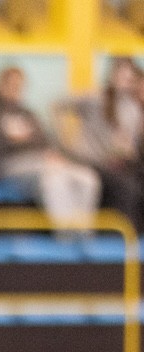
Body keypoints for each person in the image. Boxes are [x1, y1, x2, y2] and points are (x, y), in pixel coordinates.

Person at [0, 64, 100, 232]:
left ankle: (82, 234)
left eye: (19, 85)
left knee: (87, 178)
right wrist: (14, 141)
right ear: (0, 84)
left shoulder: (28, 114)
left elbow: (44, 141)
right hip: (11, 165)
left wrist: (49, 153)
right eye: (11, 84)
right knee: (53, 179)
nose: (15, 89)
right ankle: (65, 235)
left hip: (41, 161)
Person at [55, 58, 143, 230]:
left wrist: (125, 149)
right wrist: (62, 141)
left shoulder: (132, 108)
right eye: (122, 76)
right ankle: (122, 234)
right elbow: (58, 105)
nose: (125, 82)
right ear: (112, 76)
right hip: (90, 162)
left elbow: (129, 148)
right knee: (126, 188)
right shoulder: (95, 99)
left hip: (115, 164)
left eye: (129, 78)